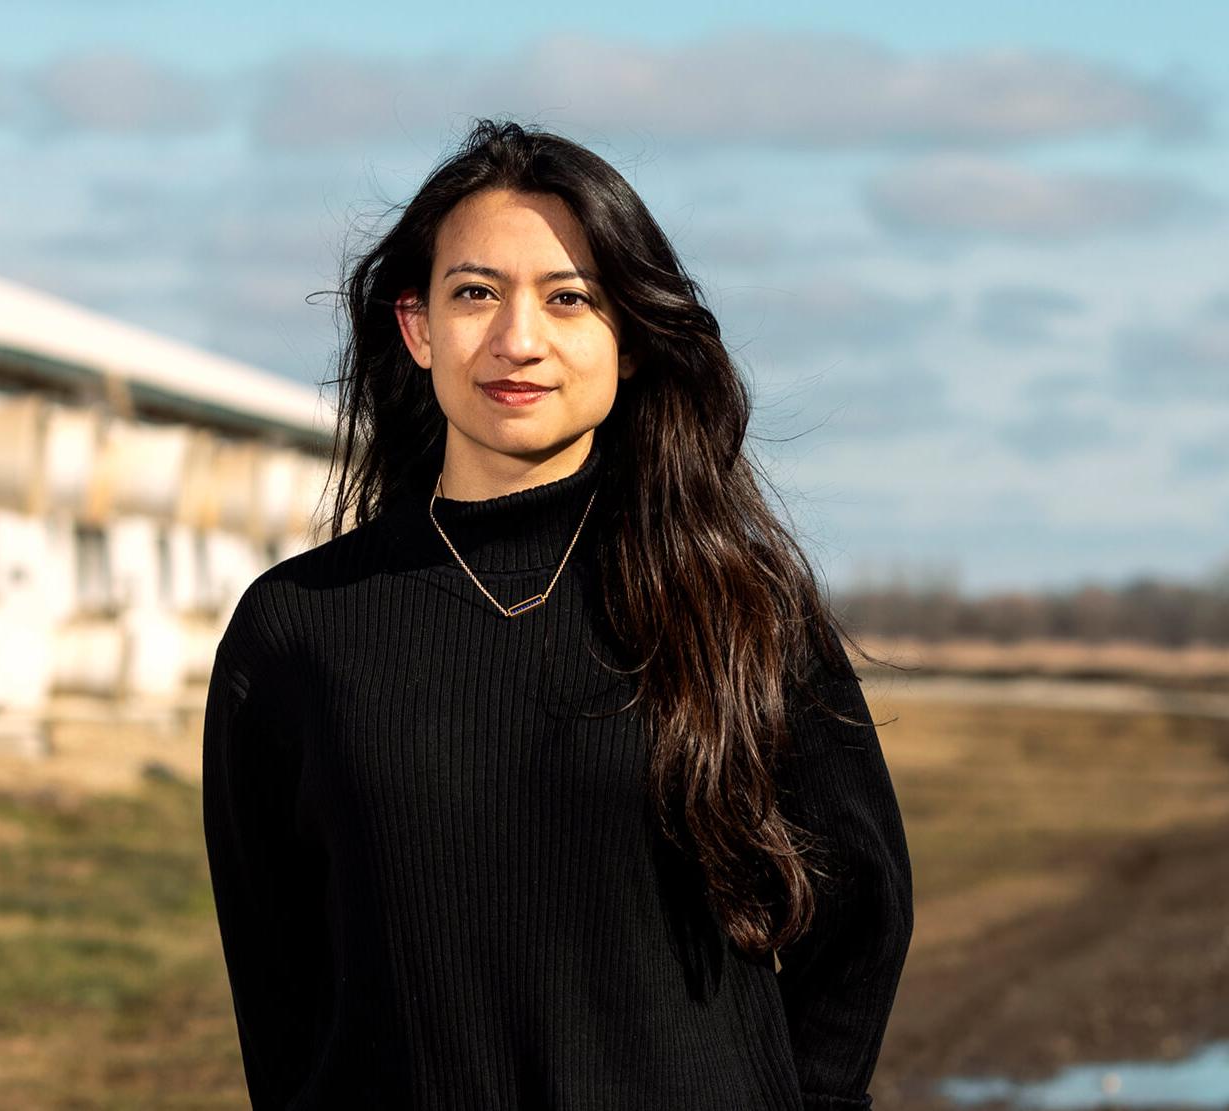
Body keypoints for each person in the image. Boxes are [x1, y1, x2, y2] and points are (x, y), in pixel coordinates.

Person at [202, 117, 913, 1110]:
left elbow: (860, 922)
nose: (516, 340)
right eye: (474, 294)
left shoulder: (737, 606)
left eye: (568, 298)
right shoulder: (295, 633)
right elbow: (278, 990)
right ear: (415, 328)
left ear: (626, 338)